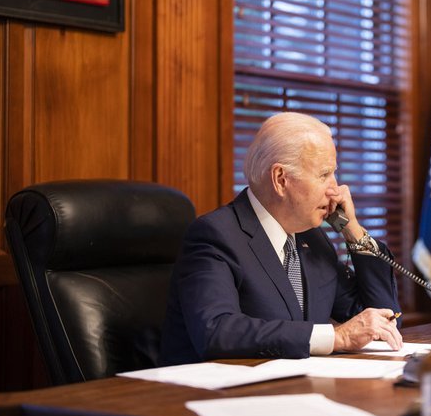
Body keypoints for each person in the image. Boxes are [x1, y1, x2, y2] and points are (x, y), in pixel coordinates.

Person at [159, 112, 403, 364]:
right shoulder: (215, 235)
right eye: (324, 175)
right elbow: (217, 331)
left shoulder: (313, 240)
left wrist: (353, 230)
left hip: (295, 390)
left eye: (334, 173)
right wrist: (336, 337)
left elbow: (383, 323)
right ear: (280, 179)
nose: (337, 190)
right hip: (206, 395)